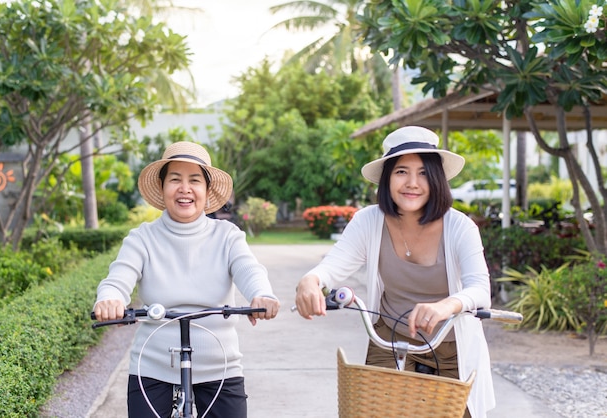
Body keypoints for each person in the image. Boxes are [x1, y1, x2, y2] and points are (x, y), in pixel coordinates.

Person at [295, 126, 494, 418]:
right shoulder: (368, 220)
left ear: (437, 178)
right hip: (390, 337)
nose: (412, 183)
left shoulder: (460, 226)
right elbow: (332, 266)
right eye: (401, 171)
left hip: (451, 345)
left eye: (423, 172)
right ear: (387, 178)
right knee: (373, 411)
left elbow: (480, 290)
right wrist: (311, 281)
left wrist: (446, 306)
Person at [93, 141, 280, 418]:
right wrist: (110, 299)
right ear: (162, 186)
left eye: (194, 180)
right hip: (153, 364)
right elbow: (118, 278)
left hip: (220, 365)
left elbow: (249, 269)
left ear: (206, 190)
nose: (185, 189)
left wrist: (262, 293)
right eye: (175, 180)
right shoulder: (142, 238)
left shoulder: (227, 236)